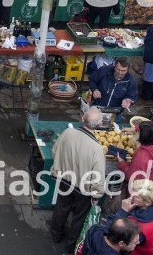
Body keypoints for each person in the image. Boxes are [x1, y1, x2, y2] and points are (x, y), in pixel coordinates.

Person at [50, 107, 106, 254]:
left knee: (62, 207)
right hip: (83, 189)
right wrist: (96, 195)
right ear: (100, 125)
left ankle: (55, 234)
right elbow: (98, 176)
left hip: (65, 181)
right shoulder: (97, 148)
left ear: (82, 119)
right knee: (79, 217)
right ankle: (70, 246)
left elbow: (55, 151)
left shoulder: (68, 133)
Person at [112, 180, 153, 255]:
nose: (131, 196)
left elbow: (115, 234)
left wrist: (123, 211)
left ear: (148, 202)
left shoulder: (142, 231)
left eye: (136, 197)